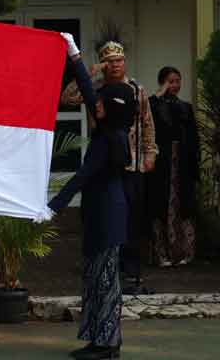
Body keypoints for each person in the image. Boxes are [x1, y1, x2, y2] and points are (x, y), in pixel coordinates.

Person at [48, 33, 134, 360]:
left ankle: (108, 344)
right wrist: (75, 57)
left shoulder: (108, 141)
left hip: (108, 216)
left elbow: (83, 176)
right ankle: (100, 340)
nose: (94, 105)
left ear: (106, 111)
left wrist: (53, 207)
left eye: (99, 104)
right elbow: (84, 92)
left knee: (105, 281)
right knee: (96, 277)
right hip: (99, 214)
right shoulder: (109, 131)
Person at [60, 39, 157, 285]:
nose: (115, 65)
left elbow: (147, 124)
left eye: (119, 60)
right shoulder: (95, 89)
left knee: (131, 217)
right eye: (110, 62)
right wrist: (89, 72)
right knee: (97, 212)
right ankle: (99, 262)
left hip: (130, 161)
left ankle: (130, 269)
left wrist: (150, 153)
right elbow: (67, 98)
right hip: (103, 158)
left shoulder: (136, 90)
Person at [147, 66, 199, 266]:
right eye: (171, 81)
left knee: (183, 205)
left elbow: (194, 139)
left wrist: (194, 167)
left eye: (178, 80)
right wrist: (159, 94)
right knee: (161, 205)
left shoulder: (185, 107)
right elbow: (147, 115)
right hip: (162, 164)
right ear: (162, 83)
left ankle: (184, 253)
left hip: (182, 163)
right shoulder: (154, 104)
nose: (175, 85)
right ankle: (162, 254)